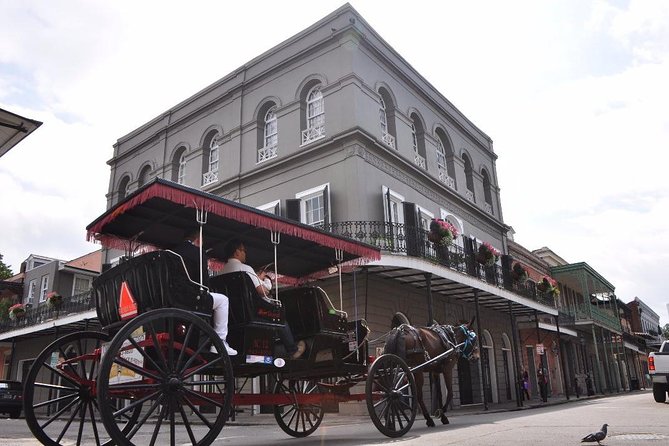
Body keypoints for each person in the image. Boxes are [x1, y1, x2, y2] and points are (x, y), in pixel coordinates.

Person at [221, 238, 305, 359]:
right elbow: (262, 291)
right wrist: (264, 279)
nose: (245, 254)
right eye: (243, 251)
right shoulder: (245, 269)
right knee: (279, 317)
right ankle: (292, 349)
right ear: (237, 252)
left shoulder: (221, 272)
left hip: (231, 315)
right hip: (252, 313)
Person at [171, 231, 237, 356]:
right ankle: (220, 342)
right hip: (191, 298)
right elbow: (204, 282)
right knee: (223, 300)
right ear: (198, 239)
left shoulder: (171, 252)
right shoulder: (198, 253)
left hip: (171, 297)